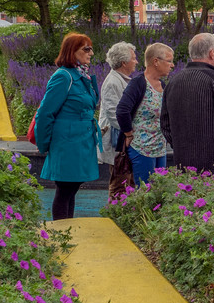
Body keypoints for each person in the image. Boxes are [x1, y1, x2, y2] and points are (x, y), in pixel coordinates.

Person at [36, 33, 101, 221]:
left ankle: (67, 233)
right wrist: (45, 145)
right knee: (65, 191)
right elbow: (45, 113)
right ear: (72, 52)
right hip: (67, 144)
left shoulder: (81, 75)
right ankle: (61, 236)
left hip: (80, 143)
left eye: (91, 48)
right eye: (86, 49)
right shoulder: (63, 77)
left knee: (70, 191)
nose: (91, 53)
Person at [160, 32, 214, 174]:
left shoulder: (173, 82)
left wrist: (179, 146)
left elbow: (165, 124)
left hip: (183, 163)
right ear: (212, 53)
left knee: (189, 195)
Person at [116, 42, 175, 186]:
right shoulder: (138, 83)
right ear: (156, 61)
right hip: (142, 149)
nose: (172, 65)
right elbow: (122, 110)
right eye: (169, 61)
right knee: (145, 192)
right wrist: (128, 134)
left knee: (160, 191)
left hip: (160, 149)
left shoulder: (163, 85)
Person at [98, 42, 137, 167]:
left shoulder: (121, 79)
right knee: (119, 178)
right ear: (124, 62)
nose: (136, 62)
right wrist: (130, 132)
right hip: (117, 141)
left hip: (122, 138)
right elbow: (114, 114)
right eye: (134, 58)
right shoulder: (112, 82)